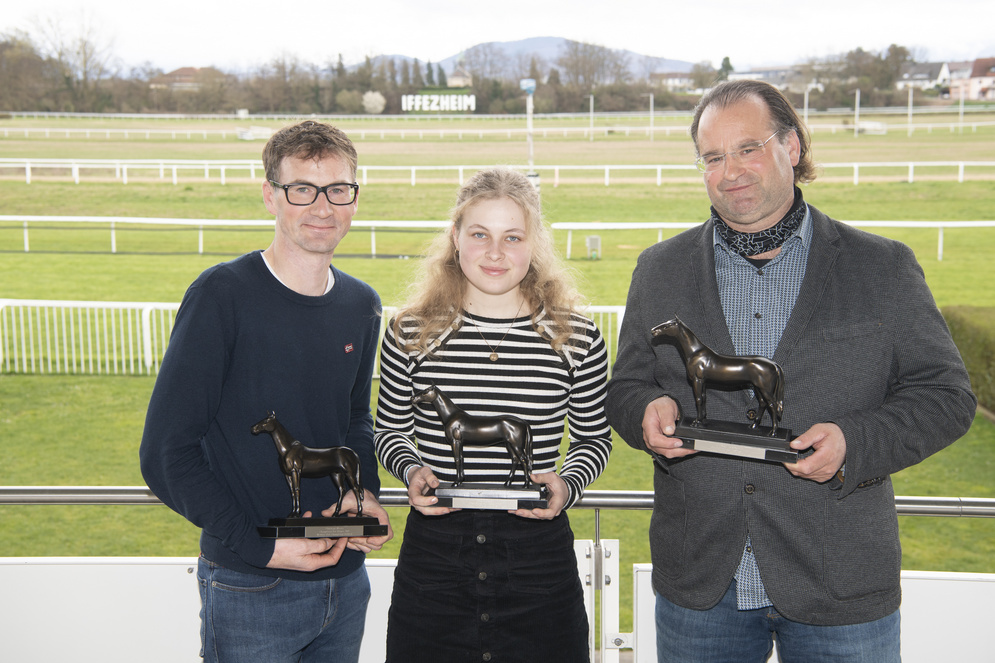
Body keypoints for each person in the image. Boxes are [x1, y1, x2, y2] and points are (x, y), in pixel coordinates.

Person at [606, 80, 976, 662]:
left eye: (748, 149)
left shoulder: (882, 267)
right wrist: (644, 412)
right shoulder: (659, 269)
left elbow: (947, 397)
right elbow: (627, 387)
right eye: (712, 157)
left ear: (793, 146)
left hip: (841, 583)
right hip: (701, 583)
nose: (731, 171)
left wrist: (854, 442)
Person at [140, 120, 392, 662]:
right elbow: (165, 453)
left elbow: (353, 418)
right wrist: (260, 546)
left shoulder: (362, 303)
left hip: (347, 582)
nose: (322, 207)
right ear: (269, 195)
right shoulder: (221, 295)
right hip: (251, 587)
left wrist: (363, 494)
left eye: (337, 189)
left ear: (354, 197)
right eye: (301, 189)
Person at [374, 167, 612, 662]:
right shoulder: (409, 332)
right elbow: (390, 430)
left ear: (534, 243)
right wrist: (412, 470)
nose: (496, 252)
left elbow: (593, 439)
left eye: (513, 237)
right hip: (435, 562)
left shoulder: (576, 337)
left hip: (538, 563)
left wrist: (567, 485)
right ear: (455, 237)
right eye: (480, 234)